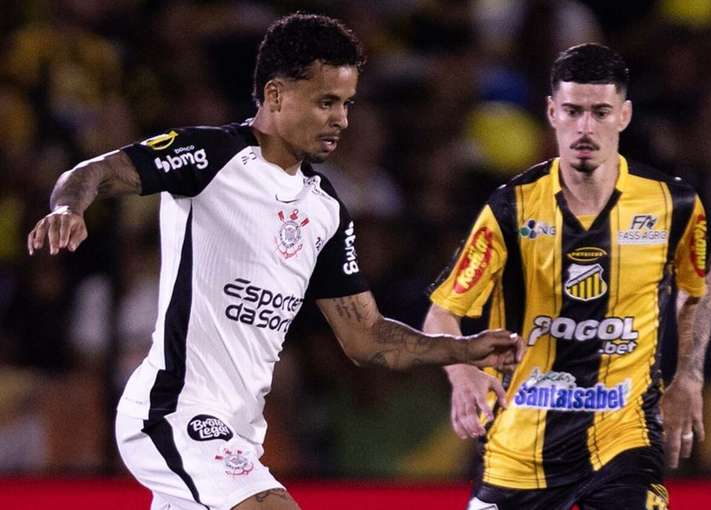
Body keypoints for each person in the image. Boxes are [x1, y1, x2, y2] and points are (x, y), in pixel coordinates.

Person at [27, 13, 522, 510]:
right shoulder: (209, 155)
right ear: (277, 94)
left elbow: (367, 338)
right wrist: (68, 207)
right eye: (326, 102)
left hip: (240, 432)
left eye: (346, 104)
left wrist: (462, 348)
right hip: (174, 411)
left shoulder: (326, 211)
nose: (341, 120)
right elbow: (94, 171)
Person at [423, 43, 711, 510]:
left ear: (624, 115)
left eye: (600, 112)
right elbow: (442, 312)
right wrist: (461, 375)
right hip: (519, 450)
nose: (585, 127)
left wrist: (689, 377)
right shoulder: (509, 209)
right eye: (573, 111)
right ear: (551, 112)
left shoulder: (672, 205)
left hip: (624, 440)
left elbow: (698, 286)